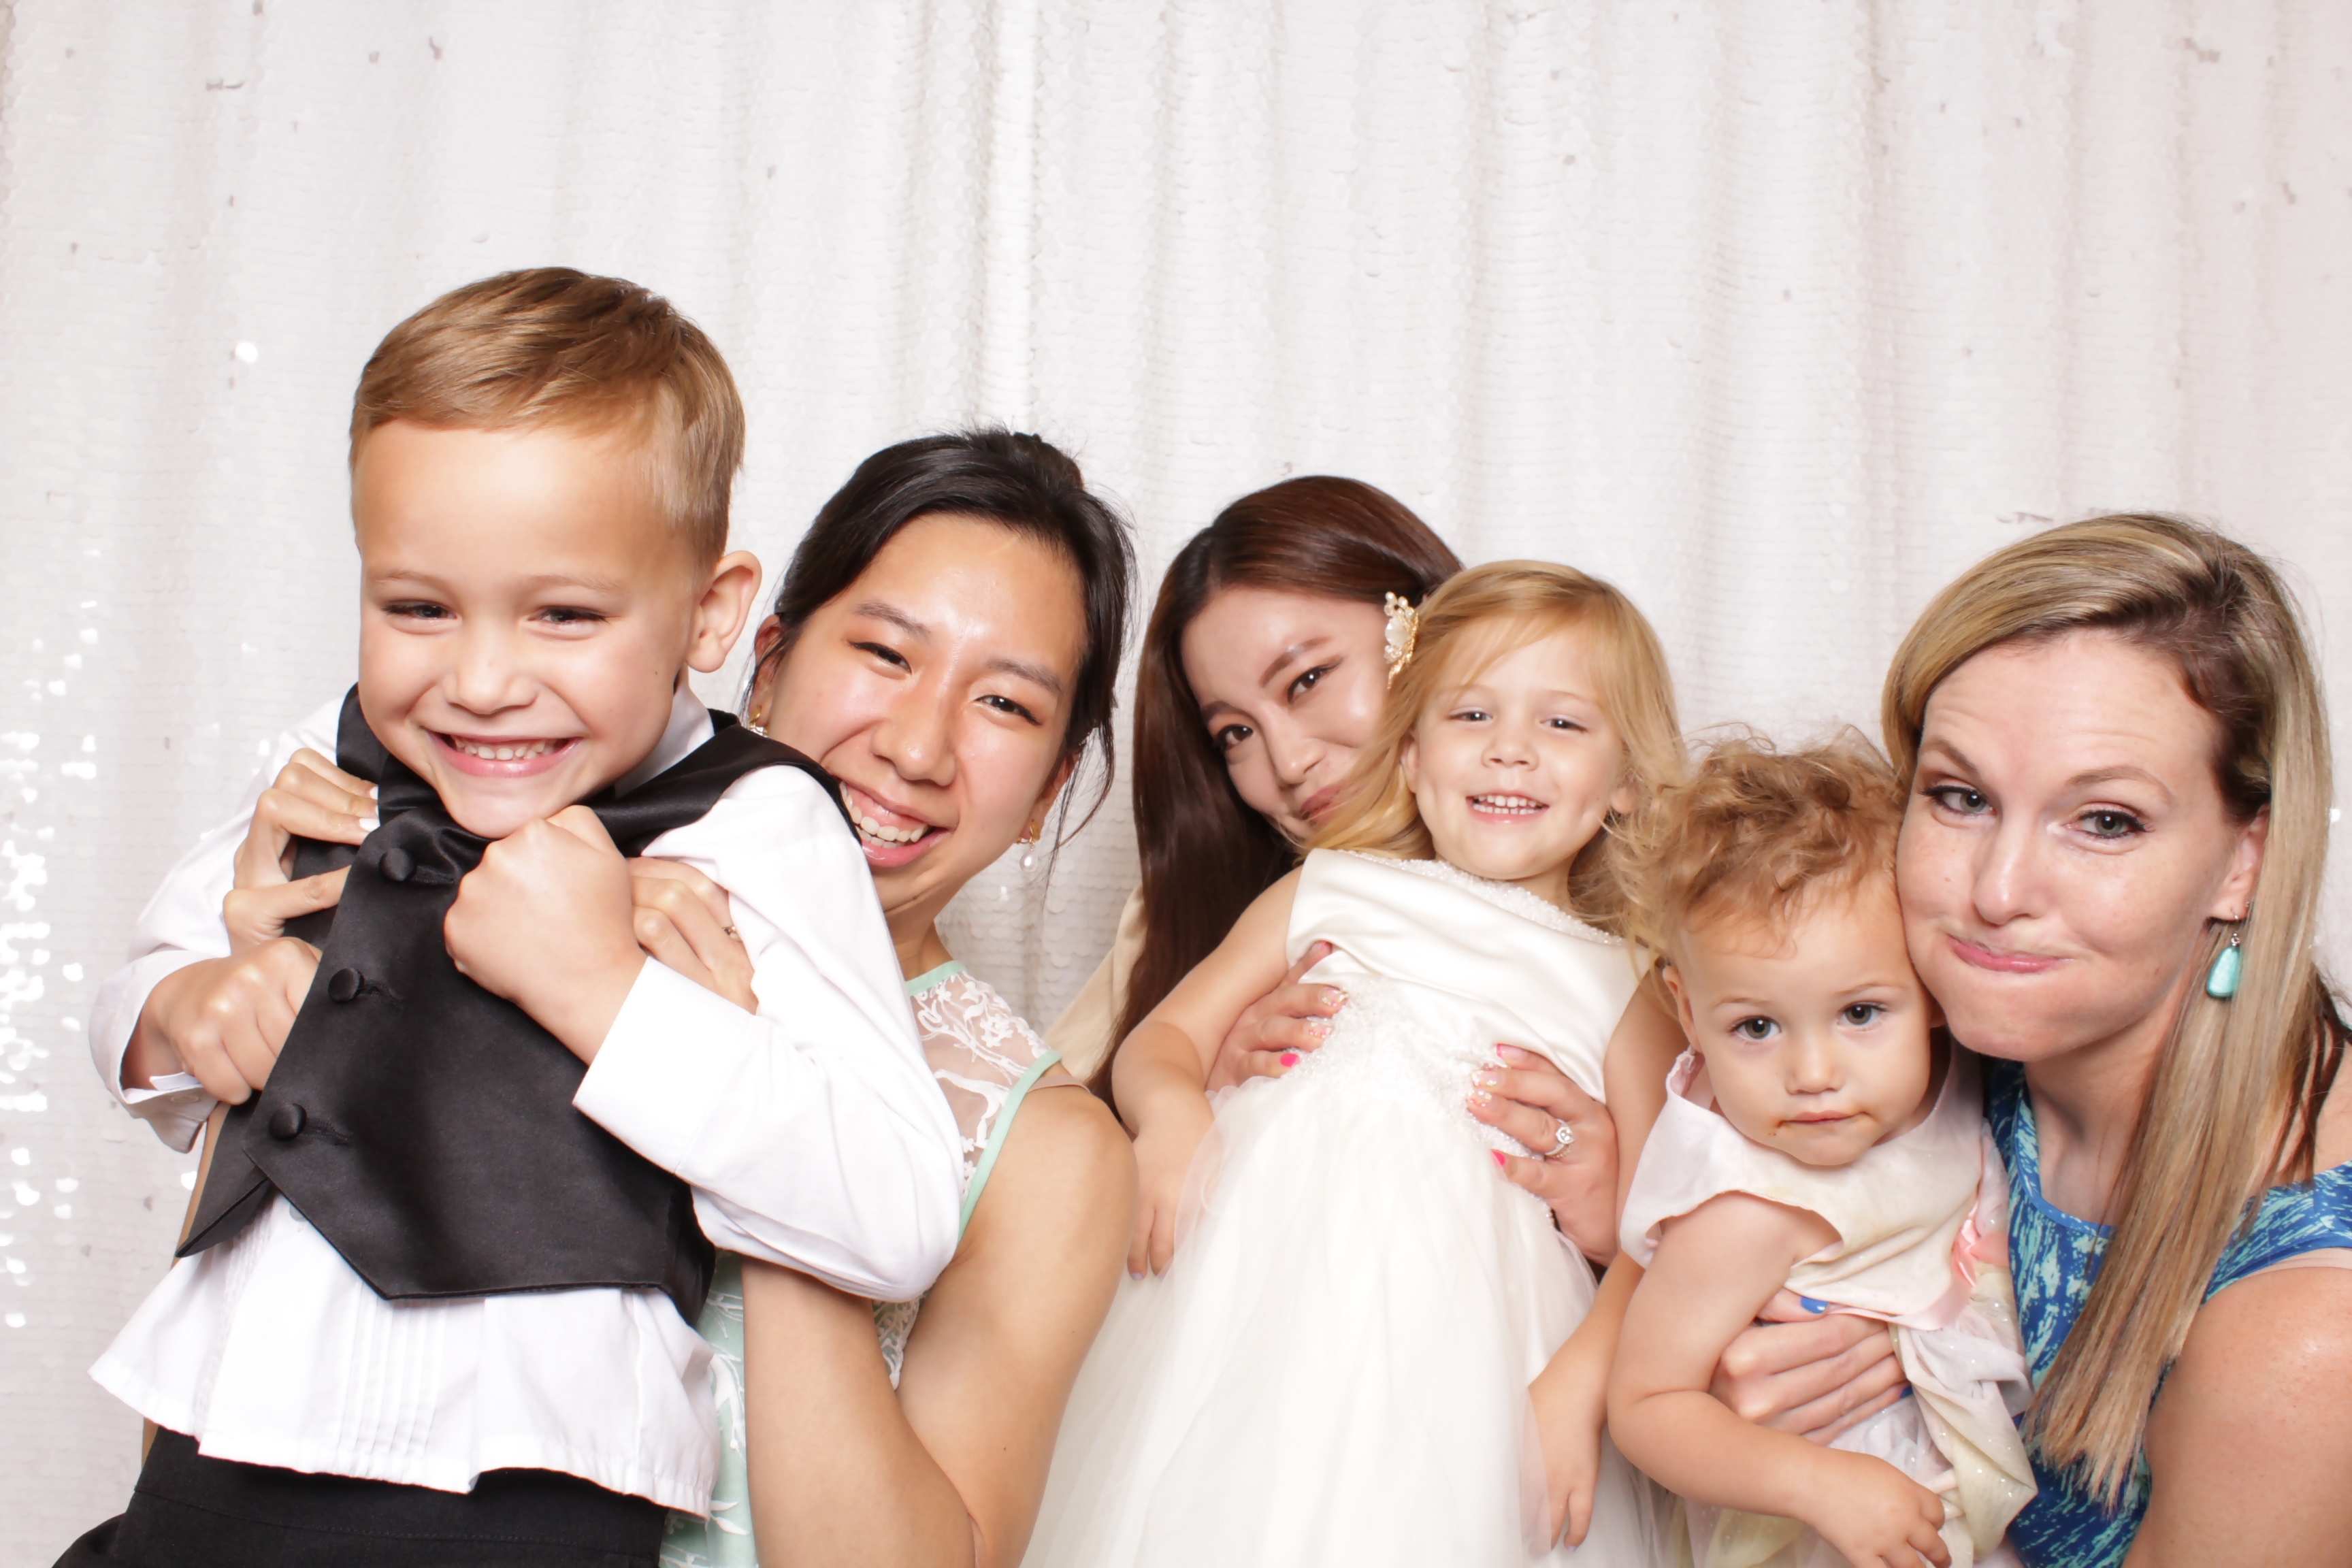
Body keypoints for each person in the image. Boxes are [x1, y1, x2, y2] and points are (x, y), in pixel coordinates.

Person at [65, 270, 964, 1567]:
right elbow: (142, 990)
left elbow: (896, 1210)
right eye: (418, 607)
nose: (482, 681)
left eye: (564, 614)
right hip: (219, 1452)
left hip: (525, 1491)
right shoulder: (335, 756)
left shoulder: (758, 823)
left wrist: (605, 990)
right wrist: (184, 1006)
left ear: (711, 609)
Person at [1714, 514, 2352, 1565]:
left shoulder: (2309, 1330)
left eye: (2105, 821)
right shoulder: (1926, 1031)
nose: (1998, 893)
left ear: (2247, 862)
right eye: (1961, 798)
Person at [1026, 561, 1688, 1568]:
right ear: (1411, 756)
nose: (1510, 749)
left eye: (1562, 723)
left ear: (1628, 782)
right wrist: (1171, 1112)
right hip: (1245, 1301)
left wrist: (1579, 1381)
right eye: (1472, 715)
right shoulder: (1330, 887)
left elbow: (1665, 1221)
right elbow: (1164, 1039)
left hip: (1472, 1345)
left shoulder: (1629, 982)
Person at [647, 431, 1139, 1567]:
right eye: (884, 652)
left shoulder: (1047, 1155)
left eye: (1005, 703)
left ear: (1050, 788)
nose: (918, 747)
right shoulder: (548, 905)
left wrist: (782, 1132)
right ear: (767, 664)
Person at [1049, 478, 1622, 1260]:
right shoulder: (1217, 913)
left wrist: (1622, 1218)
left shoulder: (1664, 927)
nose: (1287, 762)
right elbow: (1030, 1156)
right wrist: (1207, 1090)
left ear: (1429, 635)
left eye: (1309, 680)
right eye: (1235, 734)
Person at [1605, 735, 2034, 1568]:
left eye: (1860, 1014)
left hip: (1964, 1494)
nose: (1812, 1075)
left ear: (1931, 985)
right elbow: (1646, 1404)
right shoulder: (1746, 1209)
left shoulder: (1953, 1073)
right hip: (1819, 1526)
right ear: (1688, 1012)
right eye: (1756, 1027)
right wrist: (1816, 1485)